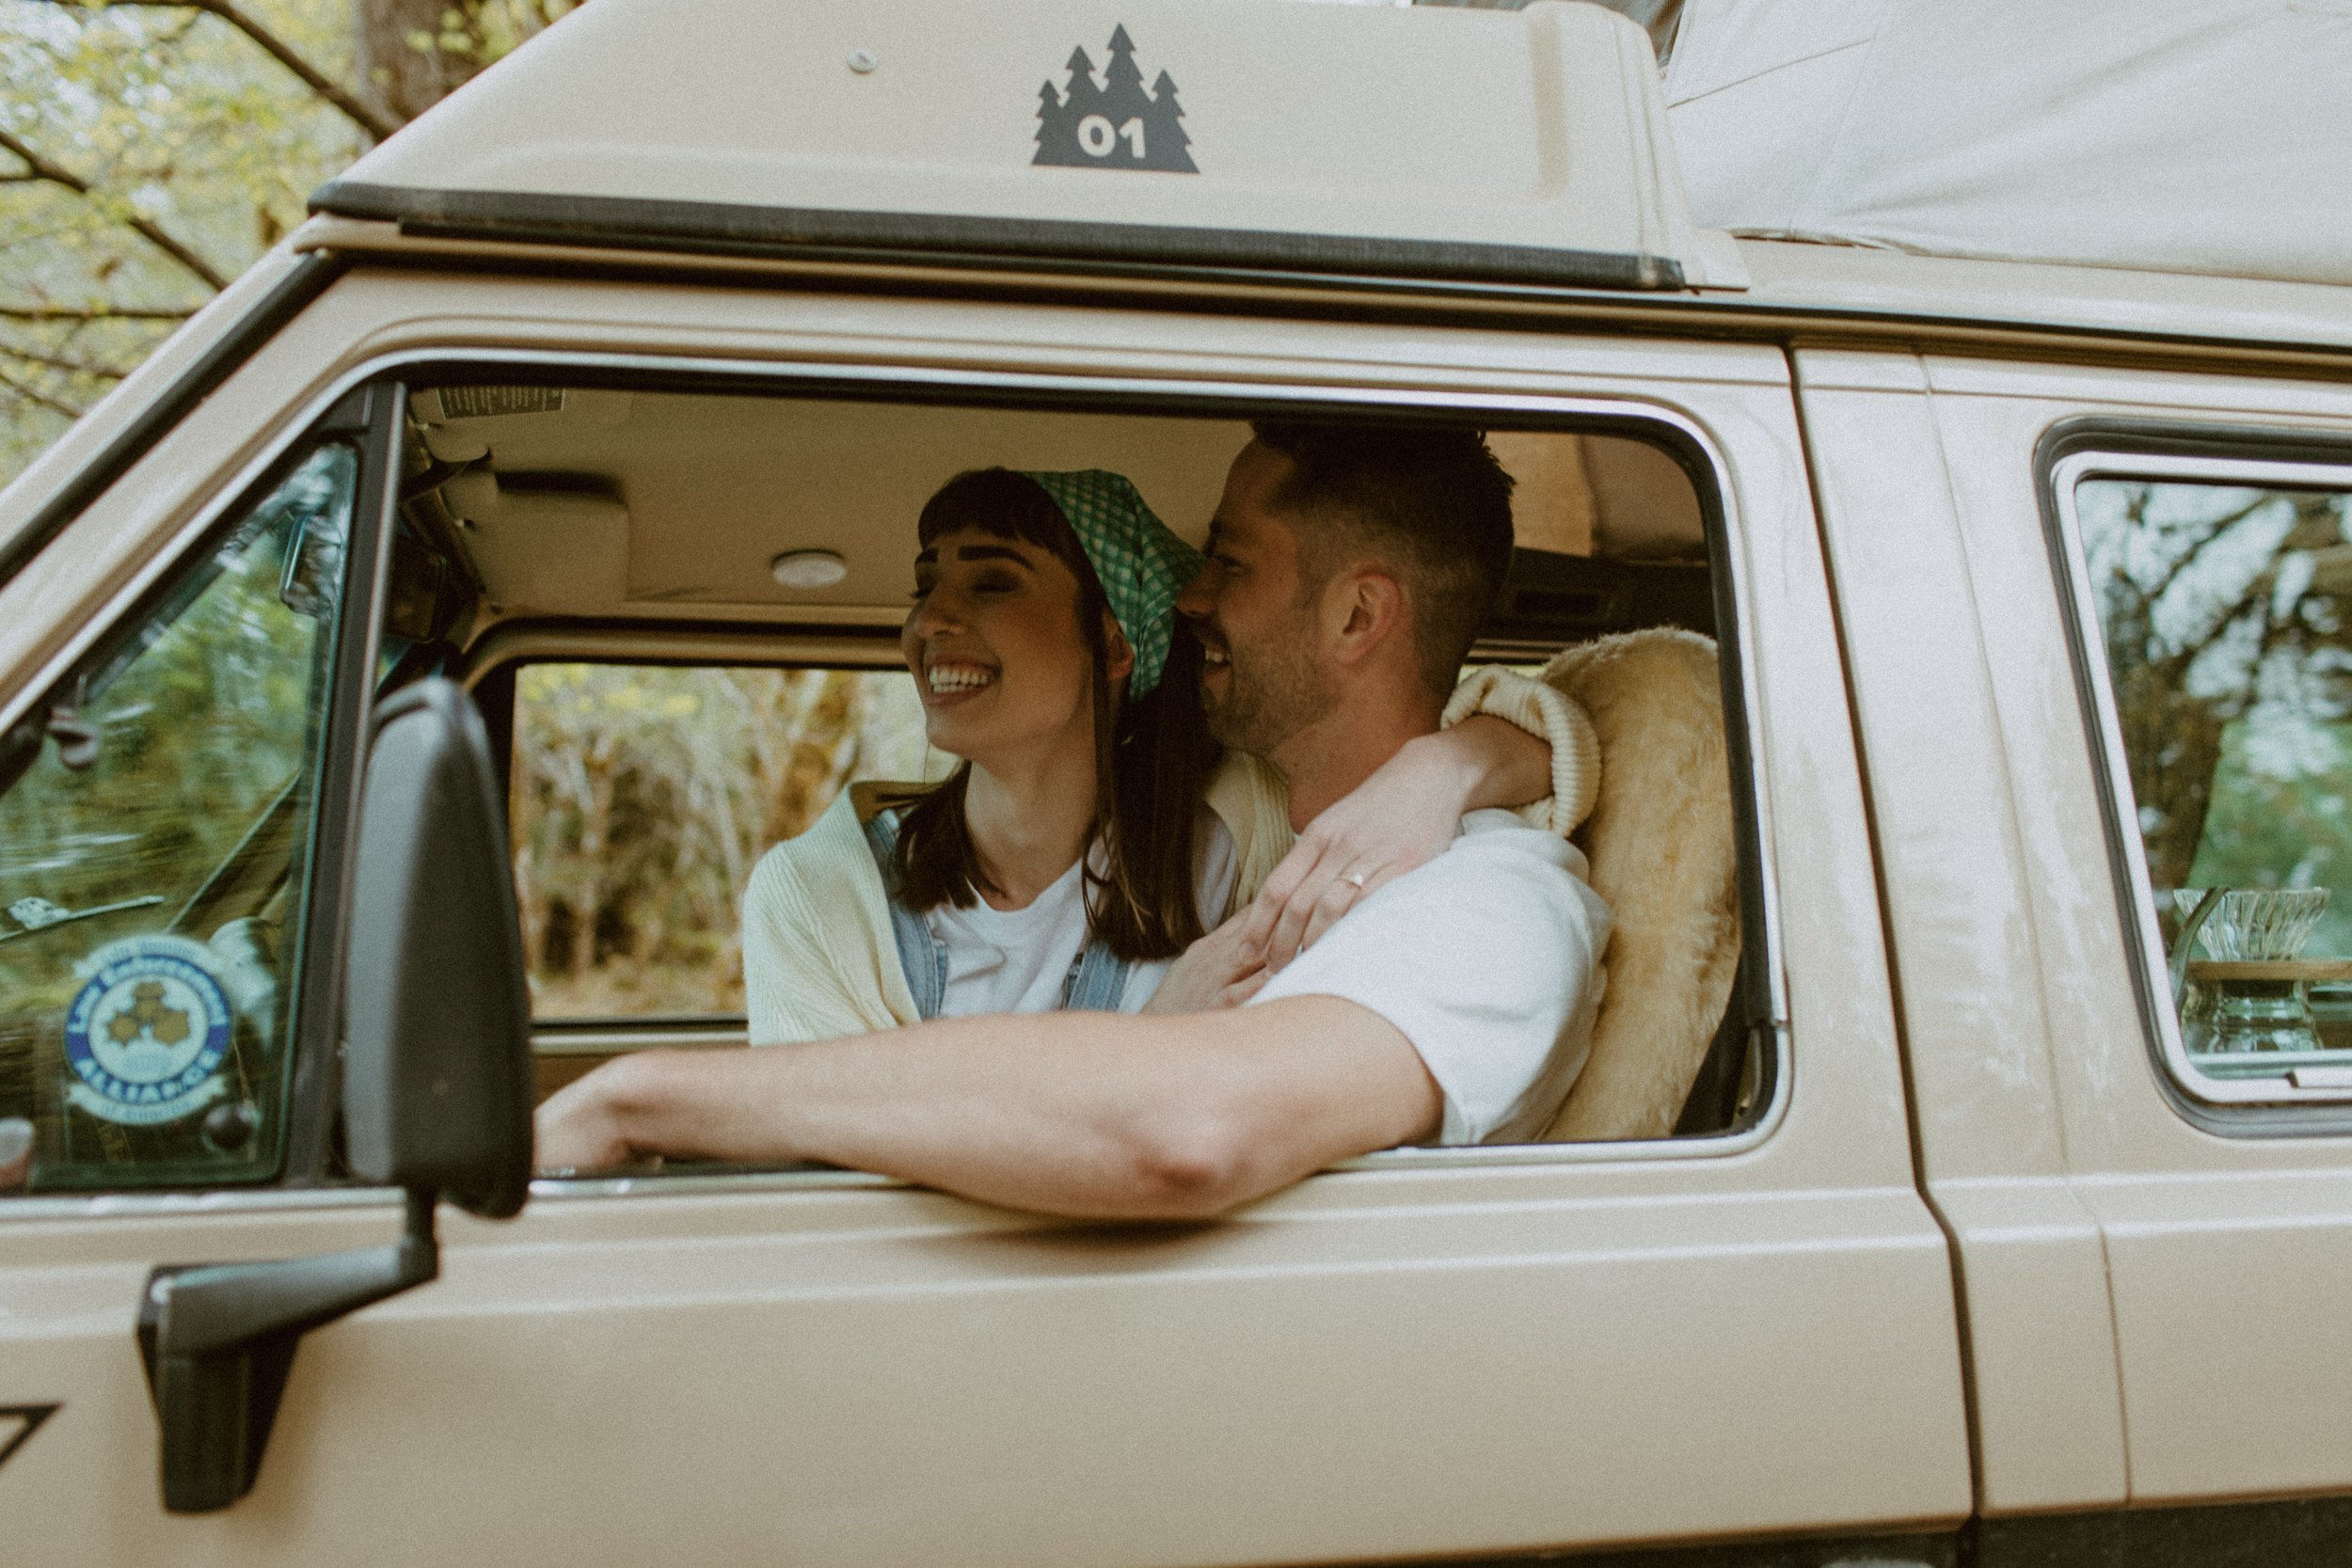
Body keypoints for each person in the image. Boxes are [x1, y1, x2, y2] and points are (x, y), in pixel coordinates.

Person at [536, 424, 1610, 1219]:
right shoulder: (1310, 832)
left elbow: (1185, 1126)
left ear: (1358, 615)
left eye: (1229, 563)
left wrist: (645, 1094)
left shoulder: (1489, 902)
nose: (1193, 598)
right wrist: (1458, 759)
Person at [739, 466, 1593, 1040]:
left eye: (992, 582)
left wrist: (1438, 771)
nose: (929, 624)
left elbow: (1556, 741)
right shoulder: (817, 897)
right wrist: (1152, 1041)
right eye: (926, 587)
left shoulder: (1240, 826)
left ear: (1115, 644)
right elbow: (843, 1202)